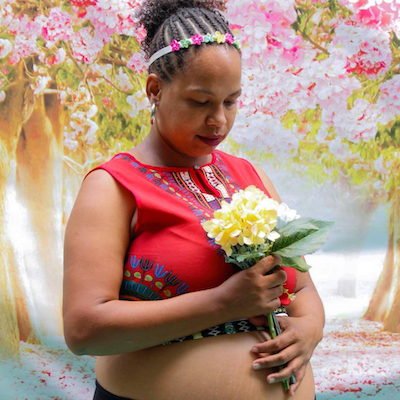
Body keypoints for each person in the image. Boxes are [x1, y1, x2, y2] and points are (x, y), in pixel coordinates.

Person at [63, 1, 325, 399]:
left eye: (230, 101)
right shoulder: (112, 187)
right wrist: (222, 303)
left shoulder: (251, 177)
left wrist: (309, 329)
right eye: (201, 102)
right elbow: (84, 329)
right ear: (155, 89)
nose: (218, 120)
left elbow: (301, 289)